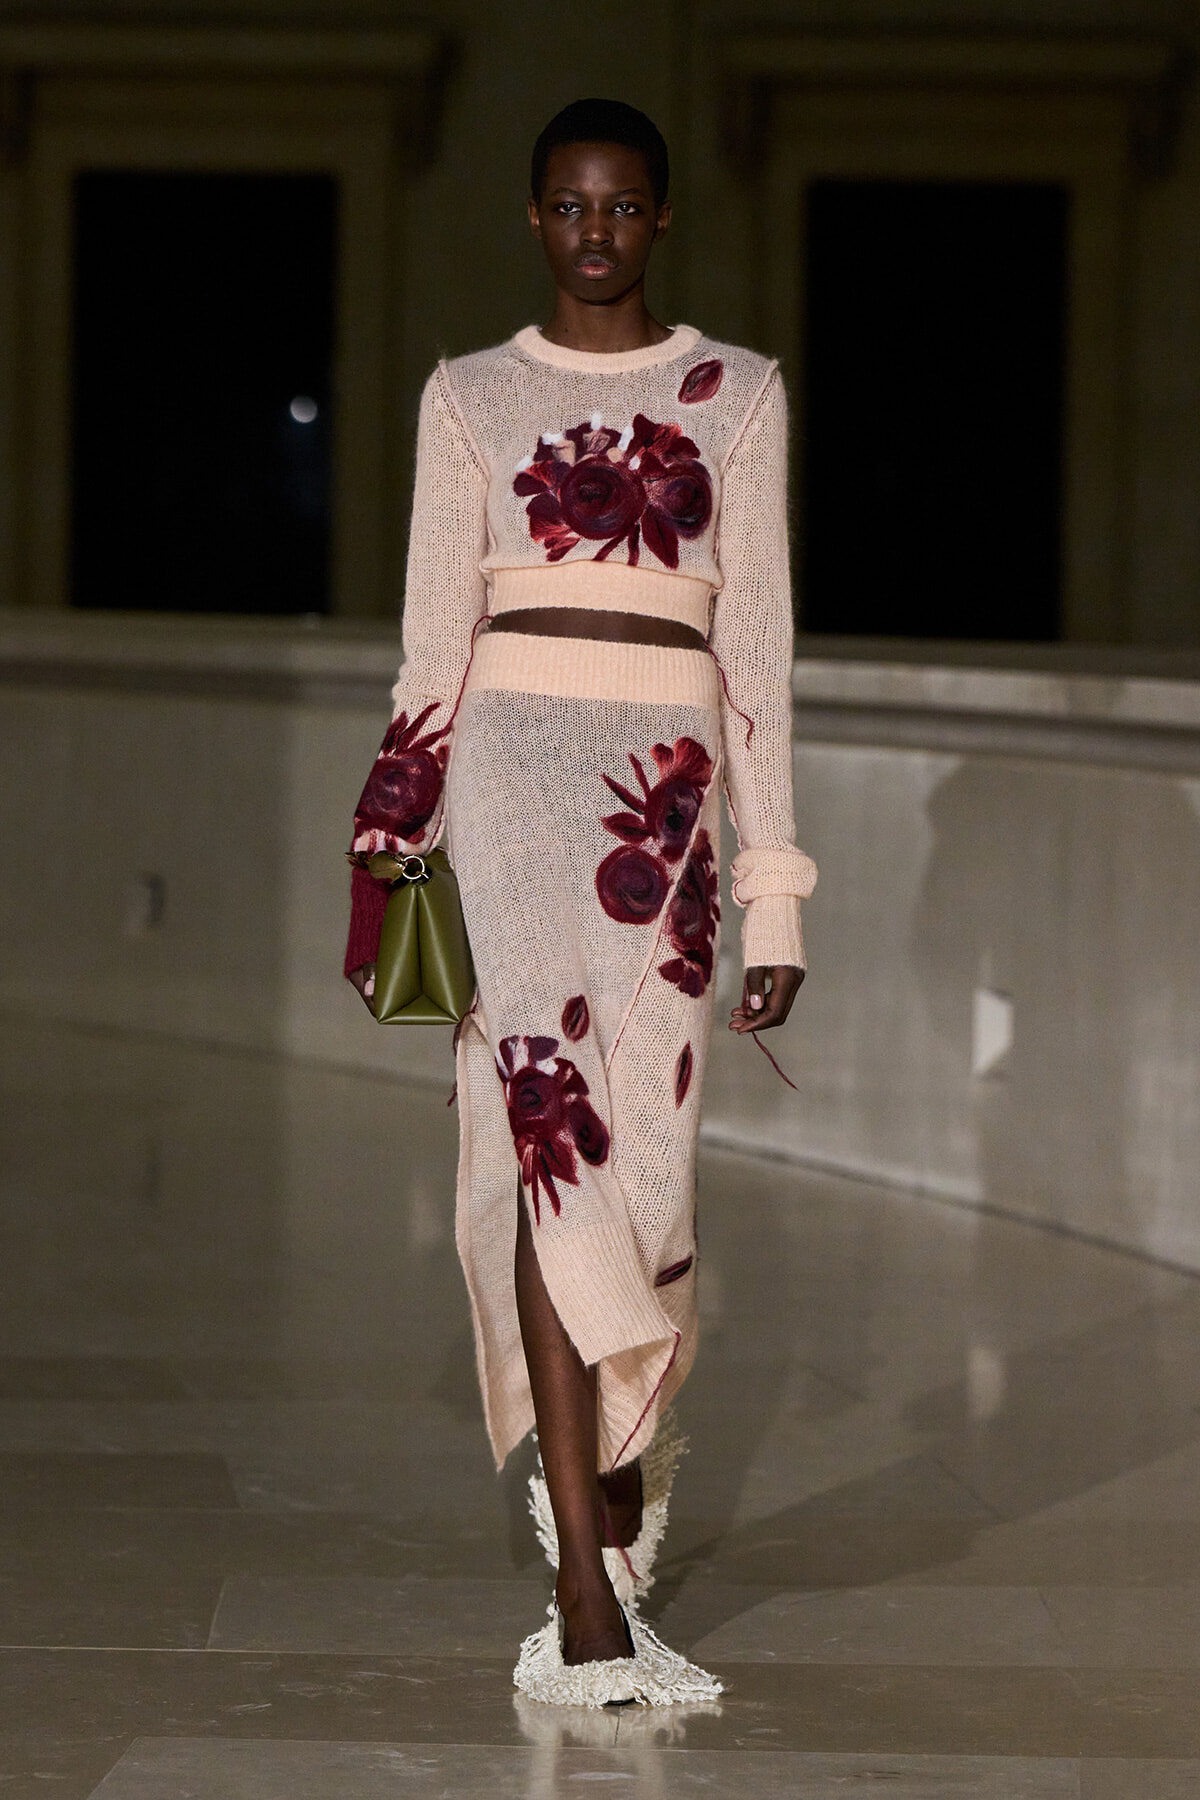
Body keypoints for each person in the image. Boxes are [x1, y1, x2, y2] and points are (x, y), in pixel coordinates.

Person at [343, 98, 816, 1707]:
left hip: (668, 810)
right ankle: (580, 1601)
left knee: (653, 1181)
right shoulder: (467, 398)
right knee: (550, 1146)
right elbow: (429, 646)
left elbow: (756, 665)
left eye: (621, 205)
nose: (595, 228)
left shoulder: (737, 394)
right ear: (535, 218)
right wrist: (391, 840)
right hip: (511, 794)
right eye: (567, 203)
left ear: (660, 221)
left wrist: (777, 894)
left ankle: (610, 1477)